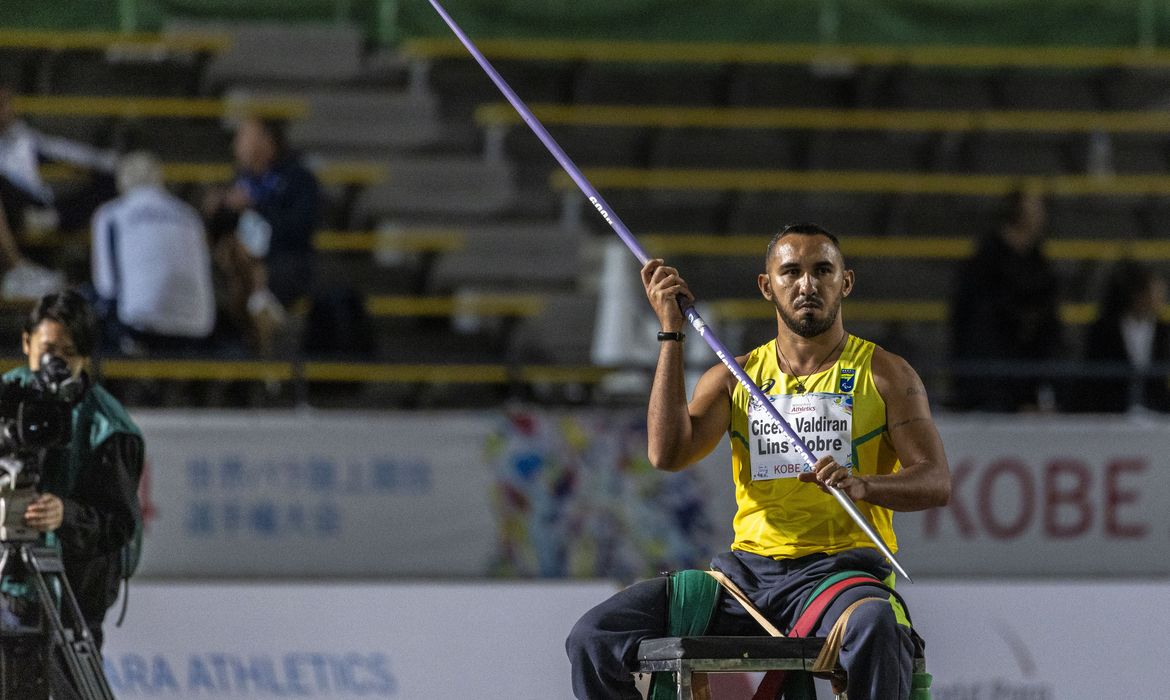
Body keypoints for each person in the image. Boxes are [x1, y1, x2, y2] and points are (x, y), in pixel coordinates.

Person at [566, 223, 951, 700]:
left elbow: (935, 482)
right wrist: (670, 333)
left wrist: (864, 485)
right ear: (767, 286)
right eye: (791, 272)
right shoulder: (735, 376)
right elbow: (666, 454)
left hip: (836, 576)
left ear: (845, 282)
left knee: (876, 625)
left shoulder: (885, 373)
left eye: (822, 271)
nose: (807, 284)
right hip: (744, 579)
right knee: (593, 636)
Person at [5, 290, 144, 649]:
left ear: (86, 356)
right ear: (26, 342)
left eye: (70, 354)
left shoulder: (107, 427)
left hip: (75, 601)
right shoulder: (6, 398)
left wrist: (64, 515)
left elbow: (120, 523)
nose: (57, 364)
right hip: (8, 592)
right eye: (49, 350)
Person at [204, 116, 319, 355]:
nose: (236, 144)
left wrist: (254, 207)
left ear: (267, 141)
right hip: (239, 267)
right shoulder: (242, 180)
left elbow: (299, 229)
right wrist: (218, 209)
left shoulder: (297, 179)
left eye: (244, 136)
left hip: (284, 265)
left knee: (243, 277)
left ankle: (261, 337)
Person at [949, 186, 1063, 411]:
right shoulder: (987, 259)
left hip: (1028, 373)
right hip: (990, 376)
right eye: (1035, 208)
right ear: (1018, 213)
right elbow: (973, 320)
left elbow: (1047, 319)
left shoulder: (1038, 260)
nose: (1042, 215)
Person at [91, 151, 216, 356]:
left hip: (140, 329)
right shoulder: (190, 216)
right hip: (198, 328)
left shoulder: (111, 214)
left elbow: (106, 286)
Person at [1073, 260, 1170, 413]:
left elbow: (1158, 381)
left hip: (1153, 410)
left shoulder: (1162, 330)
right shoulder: (1104, 329)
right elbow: (1096, 375)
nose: (1161, 295)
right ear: (1139, 295)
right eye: (1156, 290)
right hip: (1110, 410)